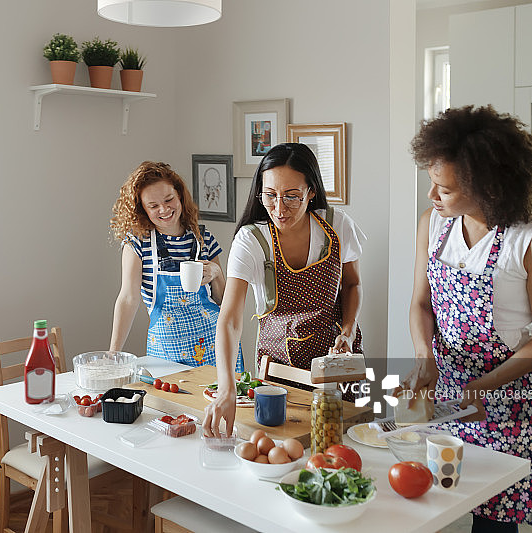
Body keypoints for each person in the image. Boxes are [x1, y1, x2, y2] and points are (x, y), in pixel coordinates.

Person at [402, 105, 532, 532]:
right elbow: (421, 304)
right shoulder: (433, 225)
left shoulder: (531, 240)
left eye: (444, 189)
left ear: (487, 187)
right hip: (443, 391)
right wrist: (424, 357)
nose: (432, 196)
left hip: (507, 398)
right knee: (427, 506)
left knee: (493, 521)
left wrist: (481, 387)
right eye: (432, 182)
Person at [203, 143, 366, 437]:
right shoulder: (251, 241)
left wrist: (349, 330)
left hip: (336, 362)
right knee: (283, 443)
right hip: (279, 371)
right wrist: (226, 388)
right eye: (270, 195)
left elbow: (352, 283)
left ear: (311, 191)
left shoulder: (337, 225)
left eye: (291, 196)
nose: (279, 208)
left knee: (345, 441)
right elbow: (230, 320)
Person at [109, 161, 244, 370]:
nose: (164, 209)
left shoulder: (204, 238)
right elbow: (128, 298)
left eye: (169, 199)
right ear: (142, 209)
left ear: (179, 195)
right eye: (153, 206)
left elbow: (224, 302)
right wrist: (114, 353)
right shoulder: (138, 243)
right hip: (166, 353)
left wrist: (217, 273)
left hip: (214, 346)